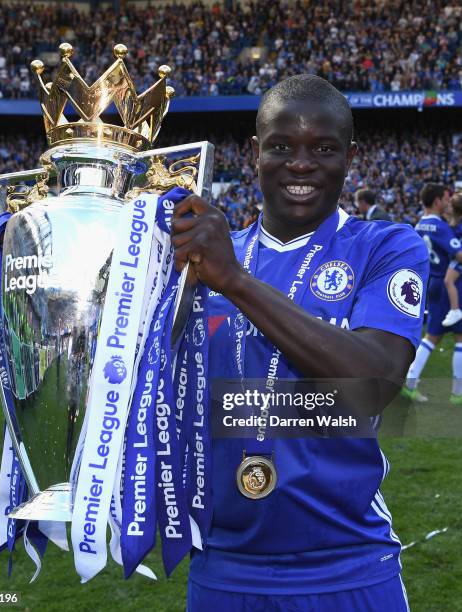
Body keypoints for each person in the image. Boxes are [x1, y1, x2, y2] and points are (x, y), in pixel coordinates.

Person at [172, 74, 429, 611]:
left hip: (349, 568)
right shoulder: (197, 260)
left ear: (349, 157)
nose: (302, 163)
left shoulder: (386, 246)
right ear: (254, 153)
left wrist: (237, 283)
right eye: (282, 146)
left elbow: (372, 385)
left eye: (324, 148)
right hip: (222, 570)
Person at [402, 184, 462, 404]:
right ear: (437, 201)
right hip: (450, 285)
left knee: (432, 336)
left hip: (433, 282)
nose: (448, 202)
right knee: (459, 337)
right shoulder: (441, 227)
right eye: (446, 199)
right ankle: (457, 393)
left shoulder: (420, 224)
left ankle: (409, 382)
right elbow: (459, 254)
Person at [441, 192, 462, 327]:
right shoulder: (456, 221)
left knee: (448, 280)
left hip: (460, 257)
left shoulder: (457, 225)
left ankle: (455, 310)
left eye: (450, 205)